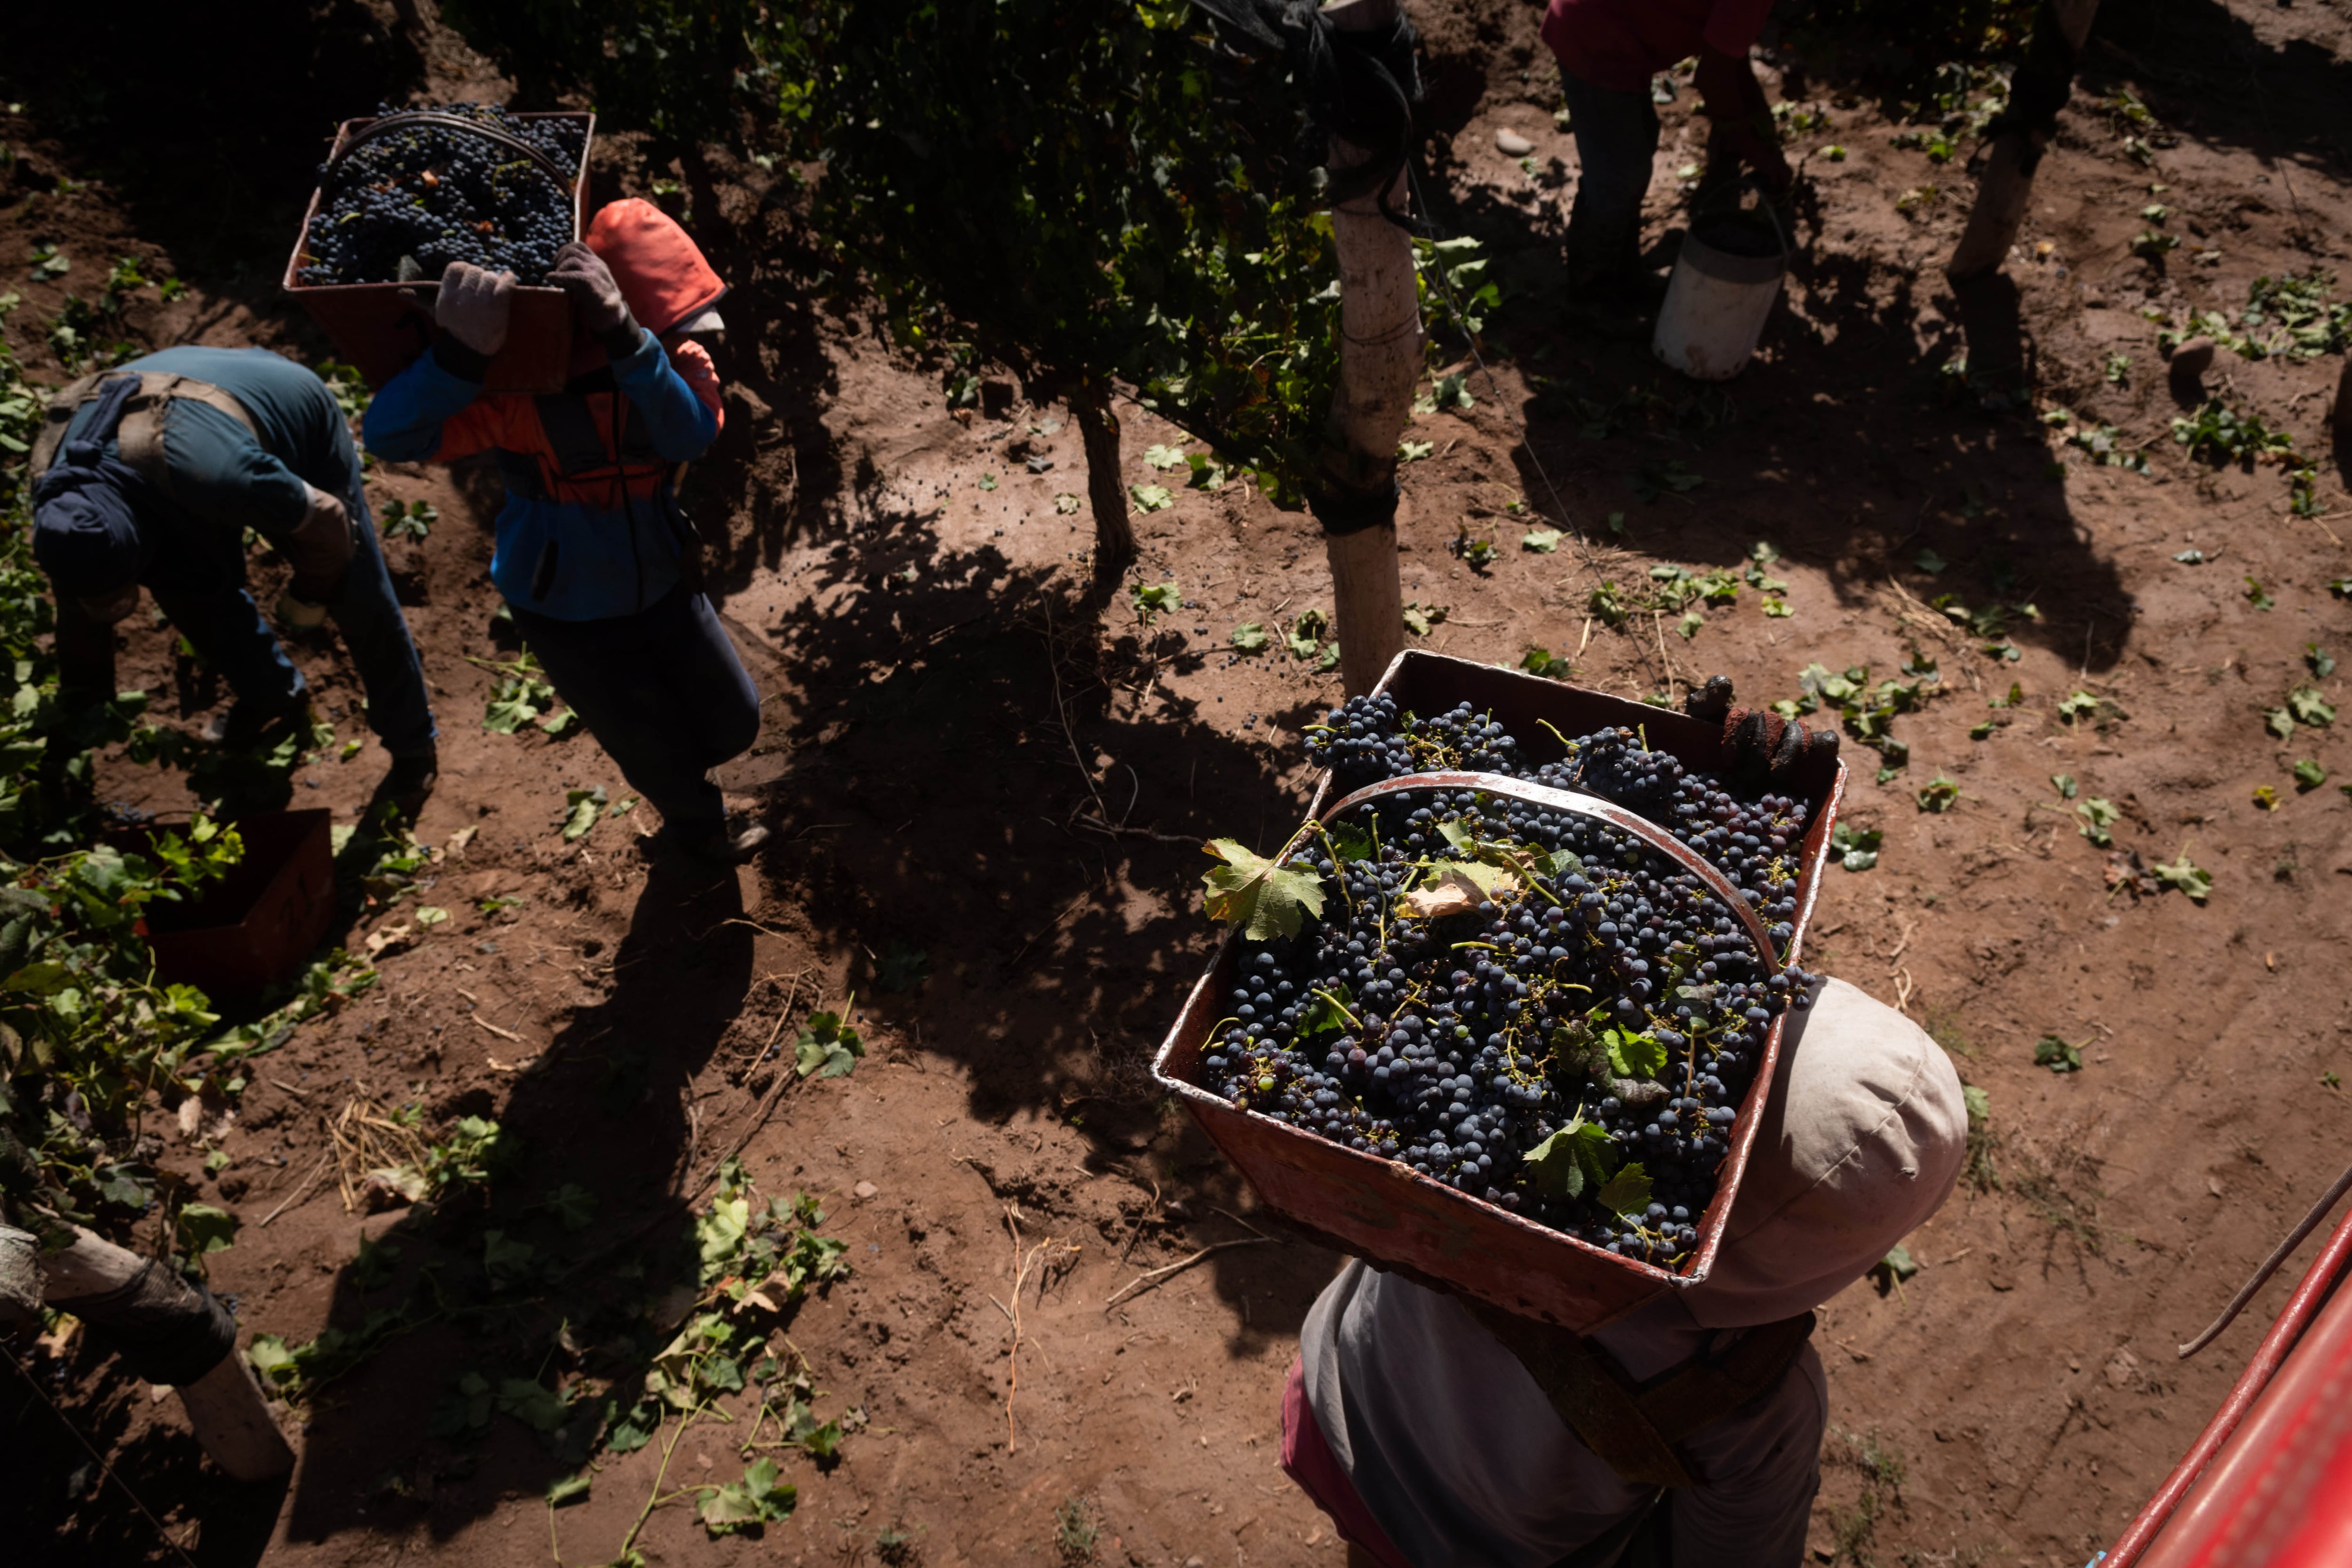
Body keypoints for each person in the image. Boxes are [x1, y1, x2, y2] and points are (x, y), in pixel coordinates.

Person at [1279, 700, 1967, 1568]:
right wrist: (1713, 807)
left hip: (1346, 1408)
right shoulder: (1755, 1398)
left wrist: (1693, 793)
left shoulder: (1540, 1130)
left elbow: (1470, 911)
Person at [362, 199, 767, 867]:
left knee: (734, 718)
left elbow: (689, 432)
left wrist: (631, 343)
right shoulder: (523, 395)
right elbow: (390, 434)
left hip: (664, 578)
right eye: (662, 328)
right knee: (647, 741)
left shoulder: (677, 364)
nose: (682, 338)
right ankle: (697, 832)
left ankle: (692, 790)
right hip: (566, 608)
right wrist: (462, 358)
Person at [28, 348, 439, 815]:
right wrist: (71, 739)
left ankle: (412, 745)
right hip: (173, 446)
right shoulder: (60, 513)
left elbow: (327, 520)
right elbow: (80, 631)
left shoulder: (221, 478)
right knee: (188, 590)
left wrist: (312, 589)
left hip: (283, 409)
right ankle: (274, 693)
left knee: (356, 589)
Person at [1541, 0, 1794, 316]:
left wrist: (1758, 135)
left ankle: (1626, 276)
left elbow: (1733, 59)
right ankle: (1591, 298)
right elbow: (1714, 78)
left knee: (1634, 149)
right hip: (1594, 34)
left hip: (1612, 30)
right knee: (1617, 177)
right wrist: (1757, 151)